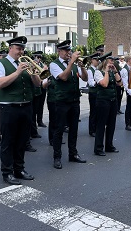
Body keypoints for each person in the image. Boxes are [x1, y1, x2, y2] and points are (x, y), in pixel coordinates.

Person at [0, 36, 41, 185]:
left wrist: (34, 74)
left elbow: (38, 84)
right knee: (8, 141)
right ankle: (7, 172)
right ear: (10, 48)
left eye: (22, 49)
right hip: (9, 107)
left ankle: (19, 168)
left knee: (22, 140)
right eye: (18, 48)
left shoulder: (25, 64)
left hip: (26, 106)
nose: (21, 52)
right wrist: (18, 72)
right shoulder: (0, 64)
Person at [49, 40, 88, 169]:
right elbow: (63, 77)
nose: (68, 53)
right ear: (59, 51)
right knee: (59, 130)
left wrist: (82, 66)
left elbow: (85, 78)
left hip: (74, 101)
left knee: (74, 129)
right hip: (61, 102)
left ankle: (73, 154)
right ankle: (57, 157)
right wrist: (71, 62)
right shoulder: (54, 65)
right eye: (66, 51)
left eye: (69, 50)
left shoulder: (75, 65)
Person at [93, 52, 122, 155]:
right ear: (105, 61)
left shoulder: (112, 72)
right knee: (101, 125)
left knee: (111, 124)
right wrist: (106, 71)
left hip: (112, 100)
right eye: (110, 60)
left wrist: (115, 71)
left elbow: (119, 83)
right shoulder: (98, 72)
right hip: (103, 101)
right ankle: (98, 148)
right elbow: (104, 84)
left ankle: (109, 145)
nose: (112, 62)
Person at [32, 51, 47, 128]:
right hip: (35, 88)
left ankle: (40, 121)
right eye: (38, 57)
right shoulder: (32, 65)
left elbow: (46, 76)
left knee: (41, 105)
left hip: (42, 87)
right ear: (34, 57)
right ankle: (33, 125)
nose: (39, 59)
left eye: (40, 57)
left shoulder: (42, 65)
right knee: (34, 108)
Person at [86, 53, 100, 137]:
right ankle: (92, 130)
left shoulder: (97, 69)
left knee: (98, 111)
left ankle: (96, 128)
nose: (98, 61)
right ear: (92, 60)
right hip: (93, 93)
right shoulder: (90, 70)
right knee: (93, 111)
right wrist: (98, 81)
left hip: (98, 92)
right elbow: (90, 82)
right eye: (96, 60)